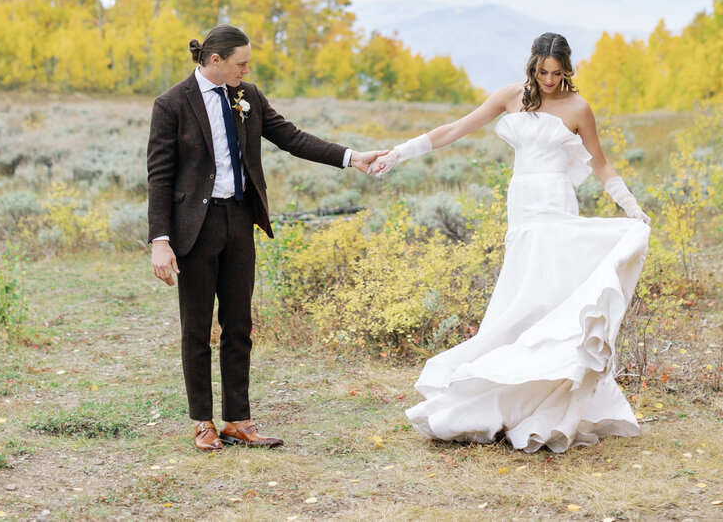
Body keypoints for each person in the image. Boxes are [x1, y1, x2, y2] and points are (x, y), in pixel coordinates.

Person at [368, 32, 651, 453]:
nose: (549, 79)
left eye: (557, 73)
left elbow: (600, 161)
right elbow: (456, 130)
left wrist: (630, 206)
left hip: (556, 205)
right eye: (542, 71)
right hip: (522, 207)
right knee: (522, 295)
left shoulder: (578, 108)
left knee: (550, 296)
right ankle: (506, 389)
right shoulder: (510, 97)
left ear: (567, 70)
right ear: (532, 66)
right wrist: (399, 153)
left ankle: (550, 397)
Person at [147, 24, 387, 452]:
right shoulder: (171, 104)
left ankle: (237, 420)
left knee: (239, 325)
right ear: (215, 61)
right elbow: (159, 175)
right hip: (193, 231)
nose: (247, 69)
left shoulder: (248, 96)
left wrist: (352, 158)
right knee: (196, 328)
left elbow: (292, 138)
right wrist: (159, 240)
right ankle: (202, 421)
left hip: (240, 222)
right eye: (241, 63)